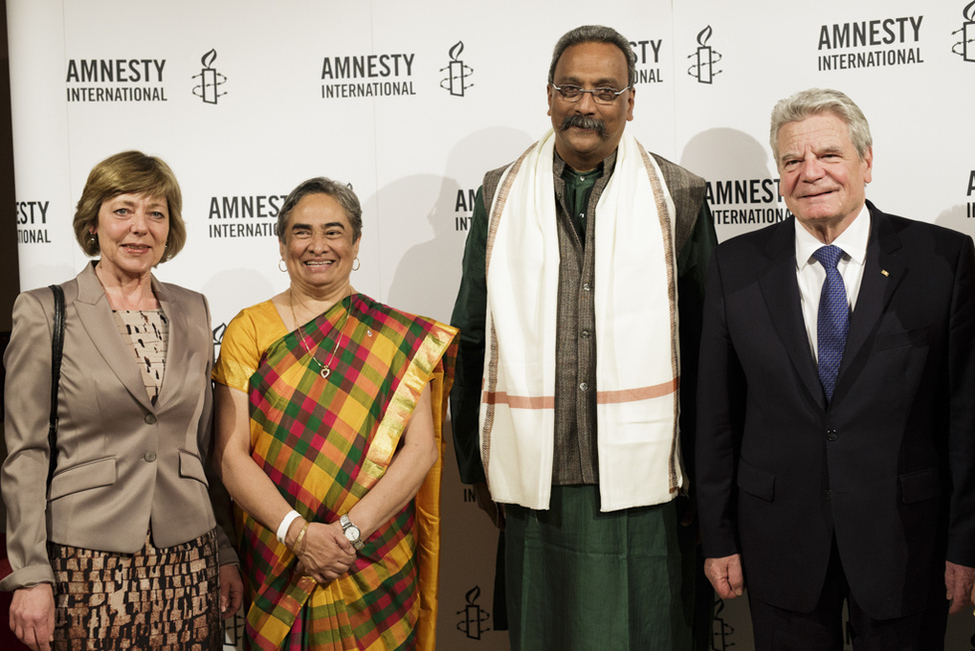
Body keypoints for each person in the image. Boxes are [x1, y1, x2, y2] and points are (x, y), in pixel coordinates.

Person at [450, 24, 717, 650]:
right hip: (534, 477)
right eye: (570, 88)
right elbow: (470, 335)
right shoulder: (499, 196)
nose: (585, 105)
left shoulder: (678, 197)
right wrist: (477, 460)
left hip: (650, 482)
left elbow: (708, 350)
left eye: (604, 90)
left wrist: (709, 483)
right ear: (548, 97)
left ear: (630, 101)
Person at [696, 88, 975, 649]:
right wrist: (717, 536)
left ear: (866, 162)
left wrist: (964, 544)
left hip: (904, 542)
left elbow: (966, 417)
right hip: (780, 543)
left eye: (829, 155)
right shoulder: (735, 265)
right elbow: (716, 416)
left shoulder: (941, 261)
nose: (811, 173)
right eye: (792, 161)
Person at [1, 150, 243, 651]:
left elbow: (201, 448)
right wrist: (29, 573)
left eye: (156, 213)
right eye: (123, 210)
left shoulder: (194, 309)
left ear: (170, 228)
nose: (140, 228)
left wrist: (222, 549)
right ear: (93, 223)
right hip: (85, 558)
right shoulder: (45, 310)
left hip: (187, 557)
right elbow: (25, 452)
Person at [212, 177, 457, 650]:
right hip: (280, 556)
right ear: (282, 245)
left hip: (371, 557)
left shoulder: (395, 335)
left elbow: (421, 449)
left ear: (356, 242)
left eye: (334, 231)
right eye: (302, 232)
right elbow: (230, 455)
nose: (318, 246)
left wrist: (345, 535)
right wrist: (299, 535)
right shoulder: (250, 329)